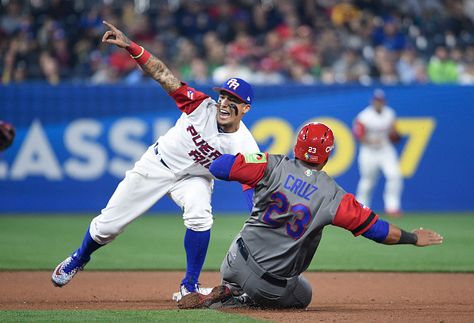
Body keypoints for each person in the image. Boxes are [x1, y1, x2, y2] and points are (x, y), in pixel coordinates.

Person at [51, 21, 260, 301]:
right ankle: (79, 257)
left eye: (232, 99)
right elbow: (163, 75)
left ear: (245, 109)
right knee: (107, 227)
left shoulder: (245, 145)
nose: (223, 102)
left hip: (194, 178)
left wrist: (257, 217)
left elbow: (251, 185)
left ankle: (189, 286)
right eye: (222, 95)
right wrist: (132, 47)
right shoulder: (201, 106)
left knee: (200, 214)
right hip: (157, 165)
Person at [176, 122, 443, 309]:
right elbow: (378, 231)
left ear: (297, 146)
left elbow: (219, 167)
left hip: (234, 260)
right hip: (270, 286)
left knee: (247, 239)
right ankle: (244, 299)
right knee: (304, 294)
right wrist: (412, 237)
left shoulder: (271, 164)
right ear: (327, 156)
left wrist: (253, 161)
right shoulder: (333, 195)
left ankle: (230, 288)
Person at [353, 89, 403, 216]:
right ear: (372, 101)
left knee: (394, 175)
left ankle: (392, 207)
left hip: (385, 150)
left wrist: (394, 134)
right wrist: (371, 142)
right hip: (369, 151)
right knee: (368, 180)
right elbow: (359, 136)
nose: (378, 103)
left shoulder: (390, 113)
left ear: (384, 102)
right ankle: (361, 208)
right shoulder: (364, 116)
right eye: (376, 101)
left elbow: (395, 135)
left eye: (380, 101)